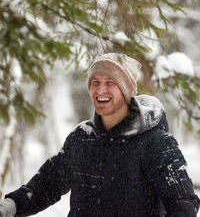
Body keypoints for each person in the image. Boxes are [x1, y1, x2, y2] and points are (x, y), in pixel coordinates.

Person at [0, 53, 199, 217]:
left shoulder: (156, 143)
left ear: (126, 90)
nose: (100, 89)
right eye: (95, 82)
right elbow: (48, 183)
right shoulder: (82, 138)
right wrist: (12, 206)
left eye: (110, 82)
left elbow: (184, 205)